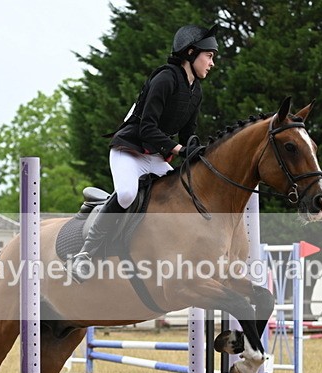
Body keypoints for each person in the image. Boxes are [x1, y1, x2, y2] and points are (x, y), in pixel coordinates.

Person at [69, 23, 218, 283]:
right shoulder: (165, 78)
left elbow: (187, 135)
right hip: (129, 150)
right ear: (191, 53)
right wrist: (180, 149)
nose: (212, 63)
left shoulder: (196, 91)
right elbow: (147, 128)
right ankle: (86, 254)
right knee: (127, 194)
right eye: (209, 56)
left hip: (155, 157)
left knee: (186, 195)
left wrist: (196, 149)